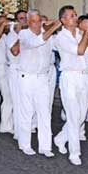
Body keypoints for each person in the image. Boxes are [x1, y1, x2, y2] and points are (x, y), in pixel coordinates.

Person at [11, 10, 60, 157]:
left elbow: (57, 46)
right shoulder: (24, 35)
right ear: (28, 22)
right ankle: (25, 144)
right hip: (27, 78)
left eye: (39, 21)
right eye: (33, 21)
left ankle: (45, 146)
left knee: (45, 113)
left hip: (42, 78)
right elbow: (36, 42)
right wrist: (54, 26)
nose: (37, 24)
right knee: (26, 112)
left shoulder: (49, 36)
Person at [53, 5, 88, 166]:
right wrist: (87, 32)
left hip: (85, 77)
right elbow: (80, 51)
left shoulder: (81, 34)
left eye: (75, 15)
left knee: (81, 116)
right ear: (63, 20)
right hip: (70, 78)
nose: (75, 18)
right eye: (71, 16)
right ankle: (74, 153)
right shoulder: (60, 37)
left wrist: (87, 34)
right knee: (73, 116)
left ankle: (60, 138)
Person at [4, 10, 27, 141]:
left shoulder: (27, 34)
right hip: (14, 70)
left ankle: (23, 128)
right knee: (17, 102)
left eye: (25, 18)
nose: (24, 21)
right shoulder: (12, 36)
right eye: (21, 18)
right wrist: (20, 36)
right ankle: (18, 132)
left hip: (25, 70)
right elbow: (15, 52)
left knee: (24, 102)